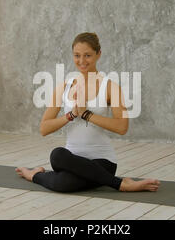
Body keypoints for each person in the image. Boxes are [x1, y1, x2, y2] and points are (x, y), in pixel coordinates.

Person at [16, 32, 160, 192]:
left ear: (98, 54)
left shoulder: (110, 87)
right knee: (57, 155)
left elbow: (122, 127)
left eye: (88, 55)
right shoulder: (64, 87)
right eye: (77, 55)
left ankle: (34, 176)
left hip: (103, 161)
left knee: (62, 183)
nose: (82, 61)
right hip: (70, 161)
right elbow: (44, 128)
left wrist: (86, 114)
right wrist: (71, 115)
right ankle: (120, 183)